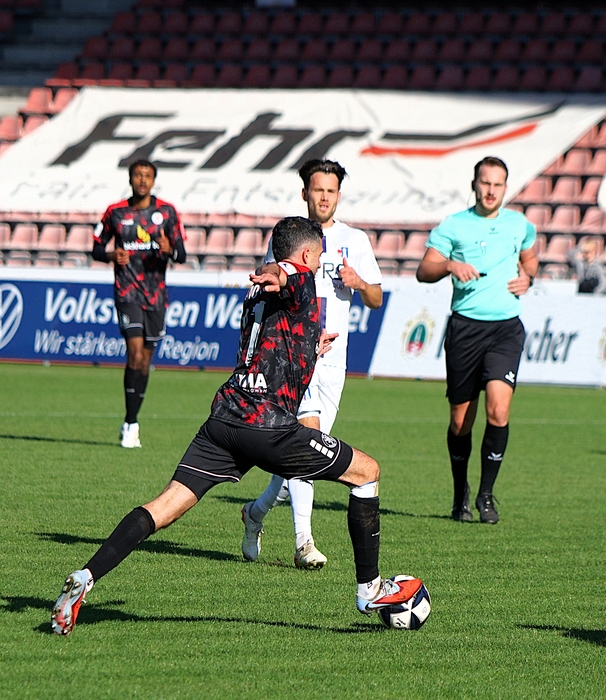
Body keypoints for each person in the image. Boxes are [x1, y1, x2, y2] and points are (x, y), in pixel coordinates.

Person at [52, 217, 416, 636]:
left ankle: (85, 577)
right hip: (269, 427)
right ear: (305, 253)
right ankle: (369, 590)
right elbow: (289, 274)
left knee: (165, 506)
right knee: (367, 472)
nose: (320, 263)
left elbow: (272, 342)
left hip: (225, 419)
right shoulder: (299, 279)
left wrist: (309, 346)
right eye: (318, 255)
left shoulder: (256, 294)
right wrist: (282, 271)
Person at [241, 159, 382, 570]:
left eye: (331, 190)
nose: (324, 197)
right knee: (309, 440)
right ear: (305, 192)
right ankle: (304, 542)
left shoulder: (355, 240)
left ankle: (255, 513)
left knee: (301, 456)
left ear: (339, 195)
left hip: (333, 360)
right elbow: (268, 276)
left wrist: (358, 283)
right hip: (295, 356)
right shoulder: (290, 236)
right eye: (318, 189)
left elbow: (376, 298)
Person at [416, 156, 538, 524]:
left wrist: (529, 277)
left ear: (506, 188)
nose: (491, 190)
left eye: (498, 184)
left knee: (498, 410)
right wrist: (449, 265)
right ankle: (461, 493)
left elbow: (530, 258)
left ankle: (486, 495)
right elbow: (424, 270)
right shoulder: (454, 225)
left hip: (506, 329)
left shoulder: (519, 224)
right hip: (465, 330)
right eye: (485, 182)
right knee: (460, 423)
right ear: (474, 184)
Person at [93, 159, 187, 449]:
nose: (142, 180)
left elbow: (182, 254)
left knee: (145, 361)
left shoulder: (167, 212)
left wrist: (170, 250)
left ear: (154, 180)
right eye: (137, 175)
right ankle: (131, 423)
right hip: (127, 292)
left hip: (155, 296)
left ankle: (132, 419)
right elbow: (96, 248)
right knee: (134, 354)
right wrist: (111, 256)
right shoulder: (115, 212)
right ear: (130, 179)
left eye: (147, 176)